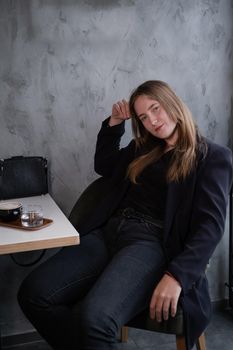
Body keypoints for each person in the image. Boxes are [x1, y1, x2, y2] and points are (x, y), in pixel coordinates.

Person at [18, 80, 233, 350]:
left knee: (95, 319)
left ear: (172, 103)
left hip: (150, 244)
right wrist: (115, 123)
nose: (152, 121)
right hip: (108, 232)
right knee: (33, 294)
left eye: (156, 109)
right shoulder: (144, 147)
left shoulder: (212, 157)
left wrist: (177, 276)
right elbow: (105, 166)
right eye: (143, 117)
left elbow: (210, 228)